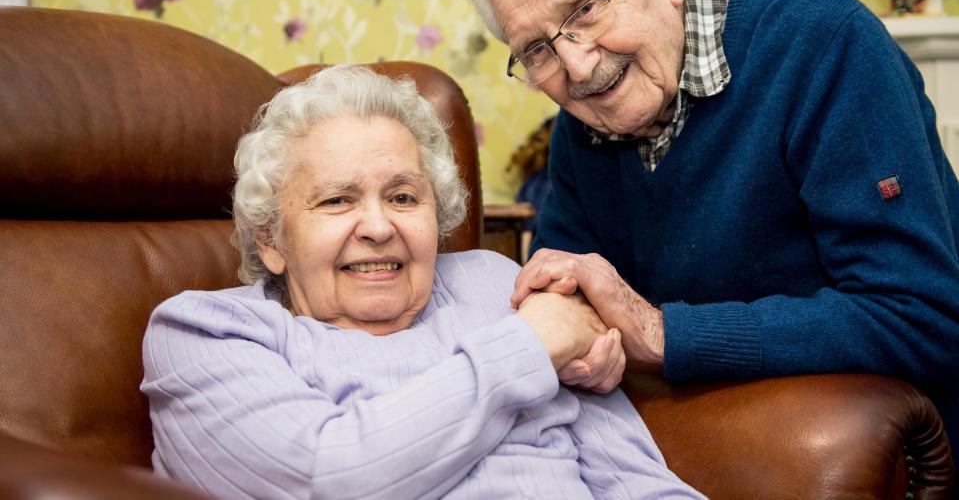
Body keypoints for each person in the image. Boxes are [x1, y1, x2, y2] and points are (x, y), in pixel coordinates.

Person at [464, 0, 959, 466]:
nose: (574, 64)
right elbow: (571, 297)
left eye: (585, 9)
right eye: (537, 50)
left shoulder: (823, 44)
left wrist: (661, 334)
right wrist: (576, 334)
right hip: (697, 444)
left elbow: (922, 317)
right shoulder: (584, 129)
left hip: (860, 454)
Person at [140, 65, 704, 499]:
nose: (380, 226)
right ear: (271, 240)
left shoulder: (493, 284)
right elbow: (324, 479)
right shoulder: (203, 333)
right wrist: (528, 347)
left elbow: (628, 473)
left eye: (404, 197)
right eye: (337, 200)